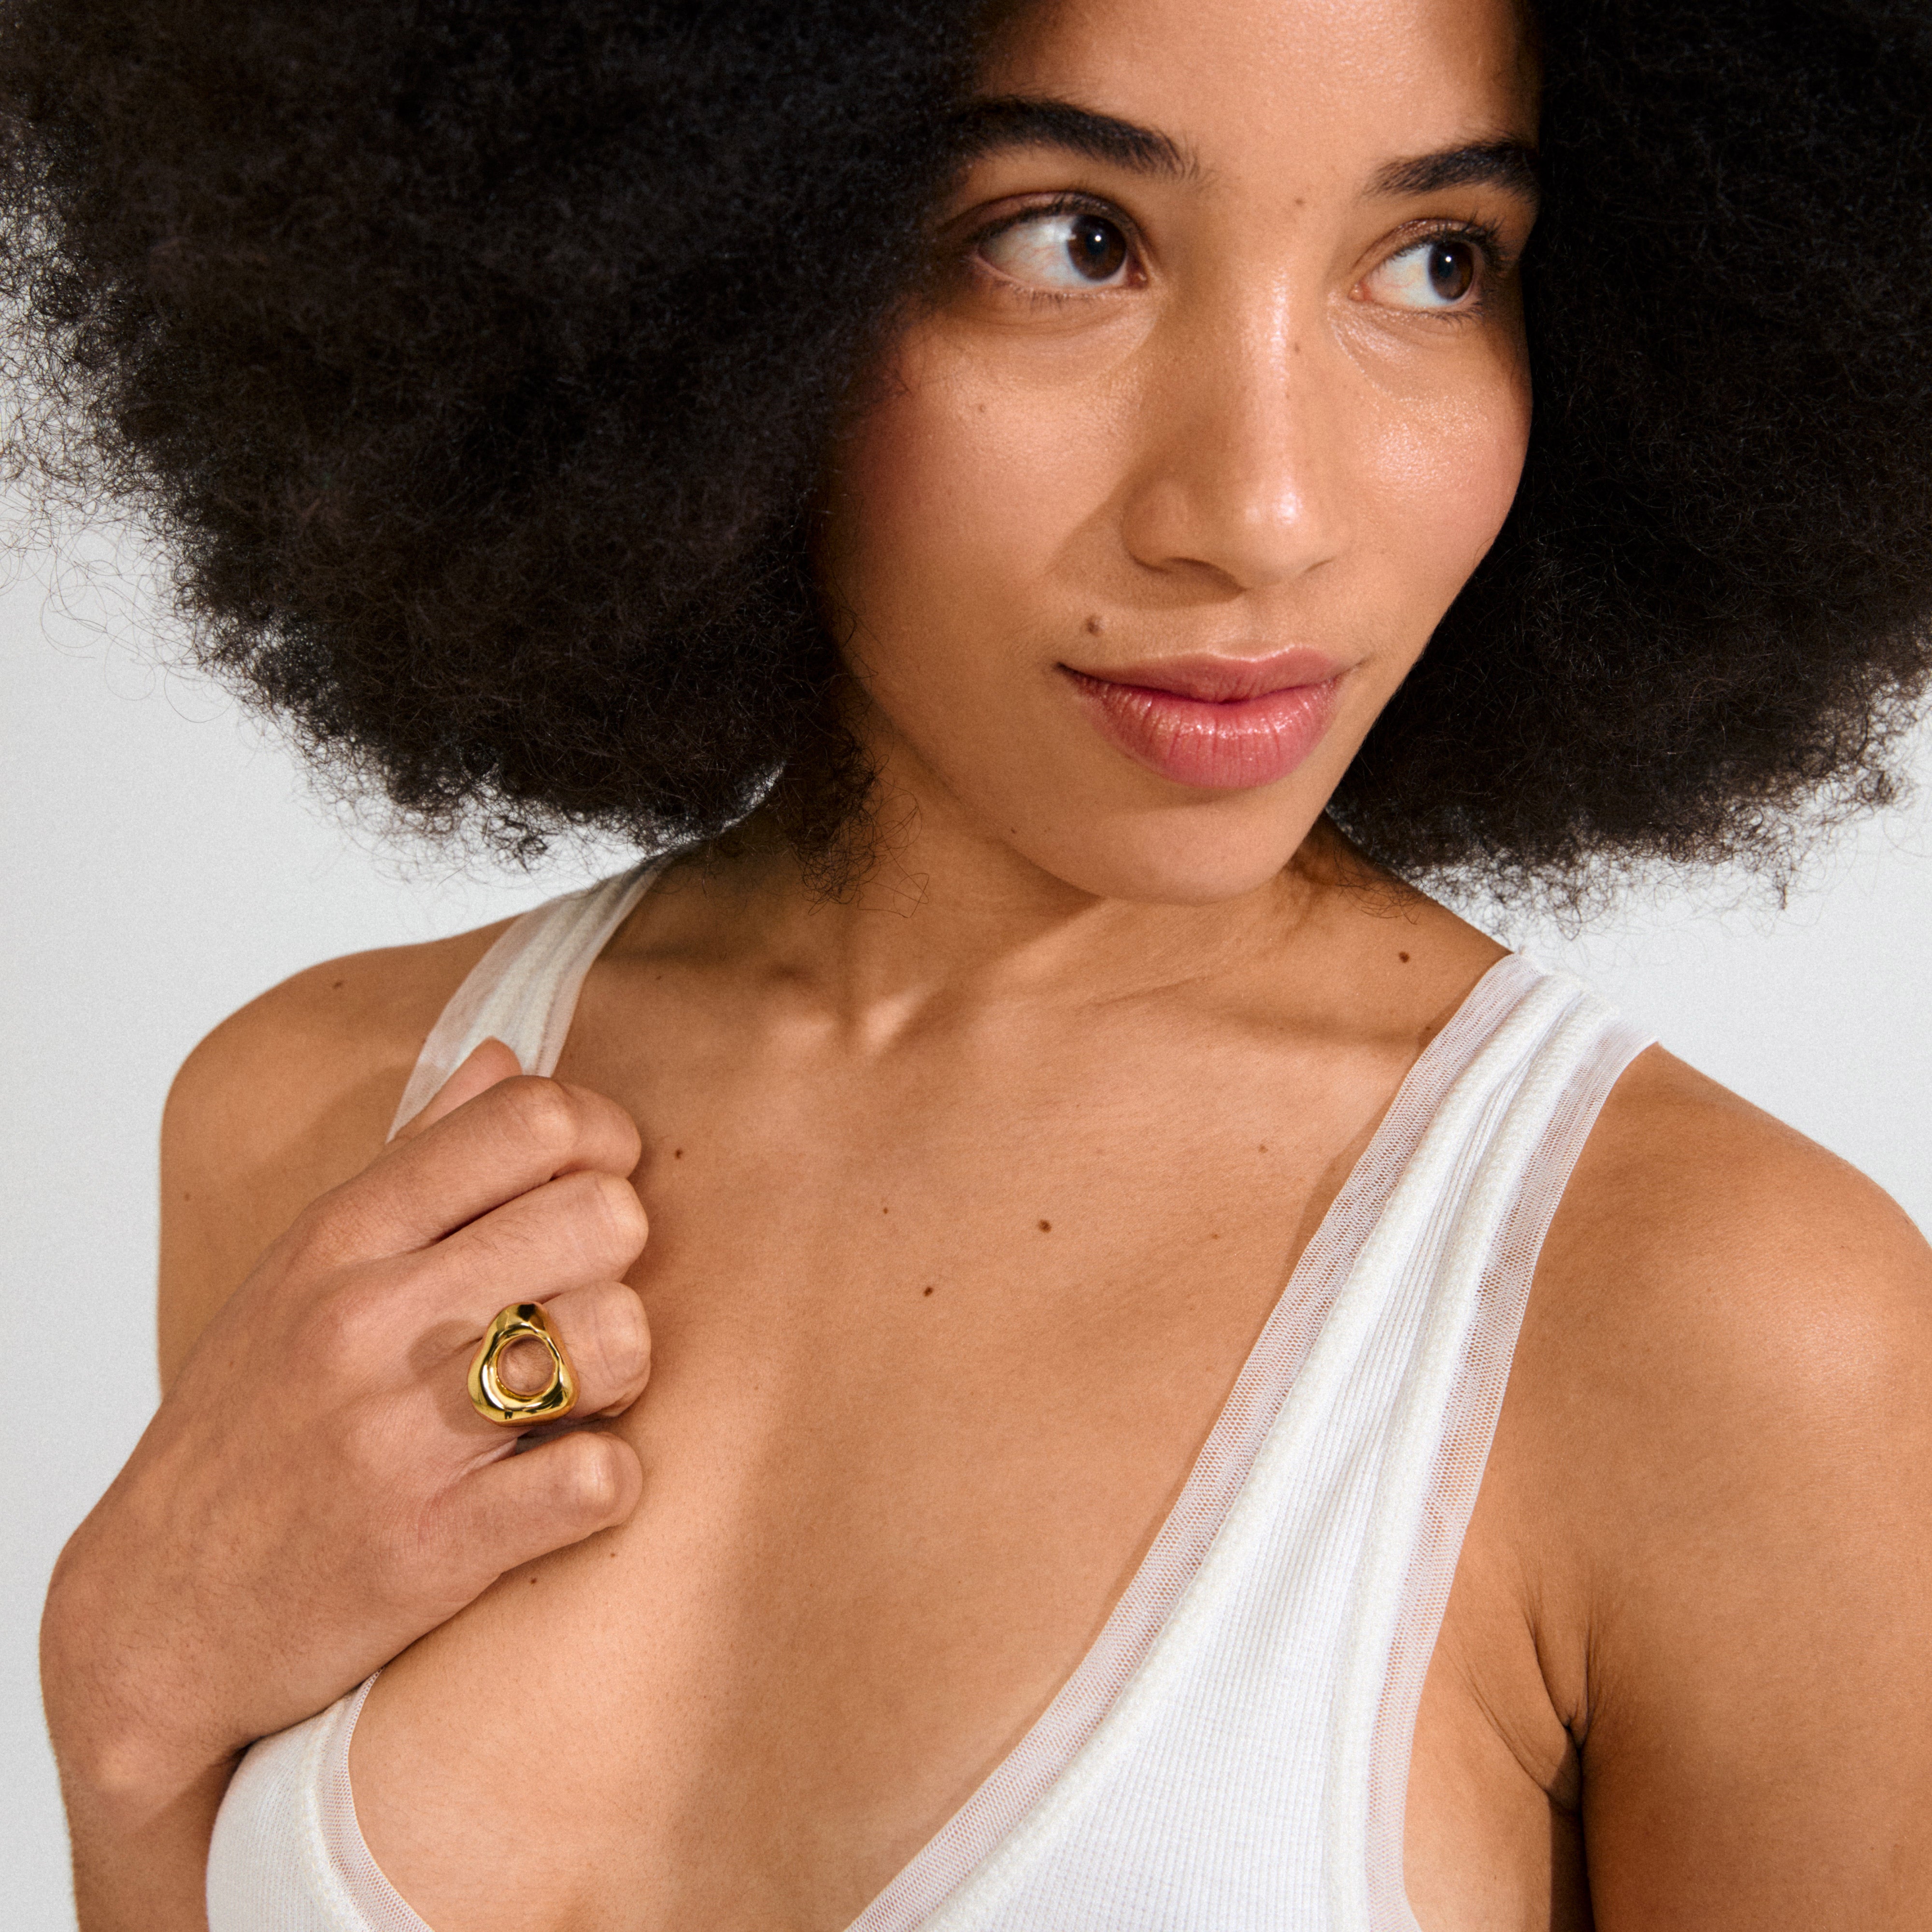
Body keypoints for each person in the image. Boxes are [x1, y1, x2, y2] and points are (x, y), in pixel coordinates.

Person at [14, 0, 1932, 1925]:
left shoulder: (1713, 1326)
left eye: (1436, 262)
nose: (1264, 515)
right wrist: (125, 1719)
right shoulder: (323, 1125)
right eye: (1071, 242)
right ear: (716, 265)